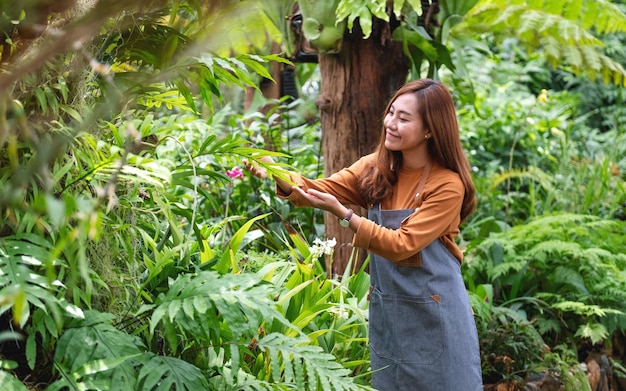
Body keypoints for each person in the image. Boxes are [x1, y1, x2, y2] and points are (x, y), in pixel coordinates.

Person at [245, 79, 483, 390]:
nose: (391, 124)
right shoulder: (375, 169)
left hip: (435, 315)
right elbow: (319, 190)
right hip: (390, 312)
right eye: (391, 113)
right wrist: (275, 172)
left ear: (429, 130)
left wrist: (345, 215)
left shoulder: (447, 185)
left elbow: (402, 244)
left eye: (403, 118)